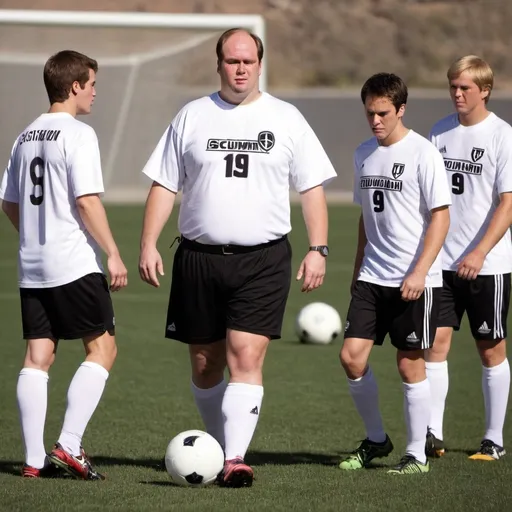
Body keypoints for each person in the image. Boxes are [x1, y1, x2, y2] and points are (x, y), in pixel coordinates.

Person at [138, 28, 336, 487]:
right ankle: (216, 448)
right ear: (220, 64)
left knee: (245, 353)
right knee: (205, 364)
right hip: (198, 258)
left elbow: (311, 189)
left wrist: (318, 248)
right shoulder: (192, 115)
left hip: (263, 260)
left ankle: (234, 458)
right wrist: (149, 241)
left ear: (260, 64)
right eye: (232, 61)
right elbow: (166, 184)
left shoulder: (287, 118)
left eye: (248, 60)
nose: (241, 68)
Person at [0, 50, 128, 479]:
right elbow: (87, 201)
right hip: (72, 262)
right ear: (75, 86)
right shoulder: (77, 134)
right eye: (92, 85)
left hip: (32, 264)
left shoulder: (25, 135)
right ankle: (69, 444)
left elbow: (8, 202)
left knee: (37, 356)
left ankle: (34, 461)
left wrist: (36, 235)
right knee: (103, 348)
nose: (95, 93)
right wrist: (111, 250)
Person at [338, 73, 451, 474]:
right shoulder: (362, 154)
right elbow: (366, 219)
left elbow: (441, 218)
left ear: (401, 109)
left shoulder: (424, 153)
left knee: (409, 365)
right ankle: (376, 439)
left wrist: (420, 272)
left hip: (414, 280)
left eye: (383, 112)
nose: (375, 121)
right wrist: (357, 267)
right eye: (369, 112)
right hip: (372, 276)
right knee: (351, 358)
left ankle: (416, 454)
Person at [425, 55, 512, 461]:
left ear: (485, 91)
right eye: (453, 87)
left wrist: (478, 252)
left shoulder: (502, 136)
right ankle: (433, 436)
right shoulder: (439, 132)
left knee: (490, 348)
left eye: (465, 88)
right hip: (441, 264)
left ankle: (493, 440)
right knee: (435, 343)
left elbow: (507, 205)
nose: (457, 94)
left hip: (487, 267)